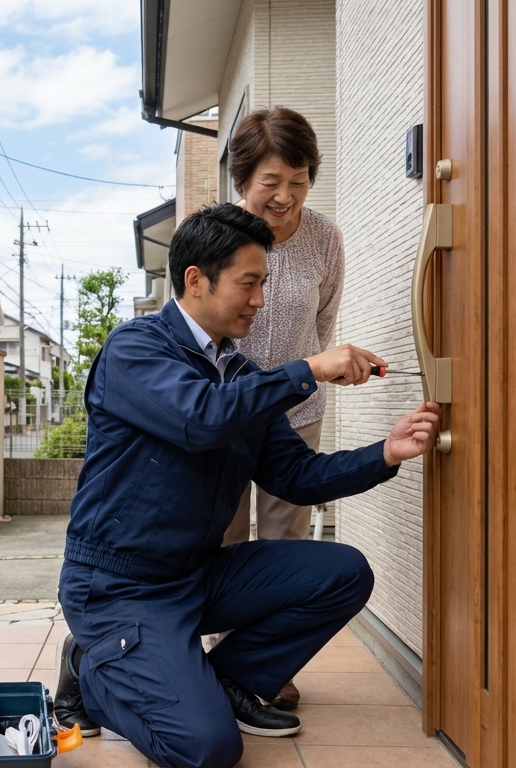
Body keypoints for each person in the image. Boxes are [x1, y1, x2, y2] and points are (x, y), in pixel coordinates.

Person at [52, 203, 439, 768]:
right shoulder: (135, 350)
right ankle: (92, 671)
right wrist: (308, 369)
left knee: (342, 572)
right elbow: (201, 419)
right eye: (249, 283)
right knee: (207, 748)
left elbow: (297, 477)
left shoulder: (243, 377)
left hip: (197, 573)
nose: (260, 300)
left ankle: (227, 679)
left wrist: (385, 452)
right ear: (195, 280)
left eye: (264, 283)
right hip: (118, 586)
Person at [214, 106, 347, 712]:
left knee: (284, 541)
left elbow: (321, 325)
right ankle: (213, 656)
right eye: (272, 182)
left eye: (298, 181)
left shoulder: (325, 238)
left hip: (294, 415)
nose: (285, 196)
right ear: (244, 180)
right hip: (223, 412)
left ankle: (264, 662)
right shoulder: (213, 235)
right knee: (219, 533)